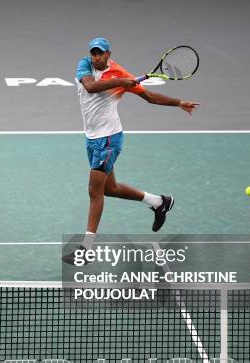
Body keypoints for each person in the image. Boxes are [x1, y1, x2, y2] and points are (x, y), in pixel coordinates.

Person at [63, 37, 200, 264]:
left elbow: (149, 96)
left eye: (100, 53)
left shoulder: (119, 72)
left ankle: (86, 250)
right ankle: (159, 202)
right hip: (92, 138)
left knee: (94, 191)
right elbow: (90, 86)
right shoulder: (84, 65)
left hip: (109, 139)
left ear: (109, 54)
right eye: (93, 53)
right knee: (110, 188)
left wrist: (179, 102)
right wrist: (120, 82)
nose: (96, 57)